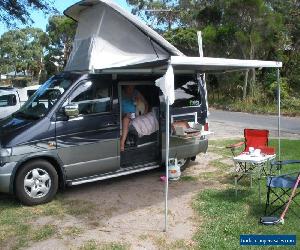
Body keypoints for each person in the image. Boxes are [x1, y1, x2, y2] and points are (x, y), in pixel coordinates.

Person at [120, 85, 148, 151]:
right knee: (125, 119)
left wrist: (144, 114)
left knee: (126, 120)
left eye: (132, 87)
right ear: (125, 87)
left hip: (135, 114)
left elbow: (146, 104)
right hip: (123, 114)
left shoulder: (136, 93)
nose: (131, 89)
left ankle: (122, 142)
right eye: (129, 87)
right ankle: (123, 142)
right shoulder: (120, 93)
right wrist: (124, 114)